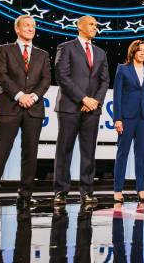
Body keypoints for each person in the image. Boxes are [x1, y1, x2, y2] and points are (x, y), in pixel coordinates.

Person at [0, 15, 51, 209]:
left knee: (30, 152)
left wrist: (33, 97)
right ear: (17, 30)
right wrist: (20, 95)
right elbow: (1, 75)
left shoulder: (43, 54)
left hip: (34, 109)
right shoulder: (4, 49)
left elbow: (46, 80)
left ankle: (26, 194)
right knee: (1, 150)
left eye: (33, 26)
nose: (31, 29)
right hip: (9, 107)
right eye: (27, 26)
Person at [53, 16, 110, 206]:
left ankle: (87, 191)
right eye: (92, 24)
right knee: (65, 149)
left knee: (88, 151)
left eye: (96, 24)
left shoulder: (101, 53)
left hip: (92, 109)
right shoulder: (66, 47)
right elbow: (62, 76)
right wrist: (83, 98)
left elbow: (105, 81)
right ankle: (61, 191)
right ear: (79, 26)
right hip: (70, 107)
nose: (95, 27)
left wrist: (95, 101)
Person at [112, 40, 144, 203]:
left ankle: (141, 190)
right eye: (139, 50)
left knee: (141, 155)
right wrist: (117, 118)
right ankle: (118, 190)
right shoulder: (123, 69)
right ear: (133, 52)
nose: (142, 53)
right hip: (126, 117)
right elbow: (116, 95)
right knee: (122, 153)